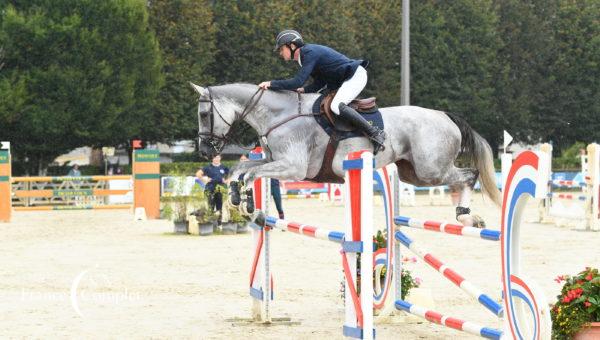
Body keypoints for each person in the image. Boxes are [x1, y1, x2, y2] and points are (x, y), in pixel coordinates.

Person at [258, 29, 386, 154]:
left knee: (336, 106)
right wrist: (303, 90)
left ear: (291, 46)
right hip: (345, 79)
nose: (280, 53)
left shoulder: (309, 53)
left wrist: (271, 84)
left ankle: (375, 133)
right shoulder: (304, 57)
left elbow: (297, 81)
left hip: (355, 76)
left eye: (281, 49)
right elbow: (319, 83)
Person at [238, 154, 284, 219]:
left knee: (278, 205)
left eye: (244, 159)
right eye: (242, 159)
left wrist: (281, 181)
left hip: (275, 185)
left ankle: (281, 217)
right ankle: (265, 221)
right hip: (265, 187)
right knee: (265, 205)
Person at [196, 154, 229, 219]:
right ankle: (211, 221)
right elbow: (198, 174)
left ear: (220, 158)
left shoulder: (224, 167)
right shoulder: (208, 167)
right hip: (210, 189)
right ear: (212, 158)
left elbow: (231, 175)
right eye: (215, 157)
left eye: (218, 157)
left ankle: (219, 224)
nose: (216, 159)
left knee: (219, 207)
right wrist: (204, 179)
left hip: (220, 190)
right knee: (211, 206)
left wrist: (226, 181)